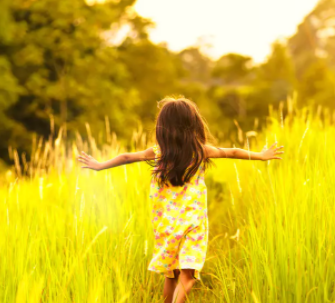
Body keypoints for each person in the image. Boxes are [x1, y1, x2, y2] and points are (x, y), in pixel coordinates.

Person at [77, 96, 284, 303]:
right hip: (193, 224)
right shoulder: (200, 151)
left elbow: (126, 157)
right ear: (192, 124)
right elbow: (232, 151)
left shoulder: (158, 152)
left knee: (172, 273)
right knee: (188, 275)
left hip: (165, 223)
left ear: (162, 127)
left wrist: (99, 165)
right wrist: (261, 155)